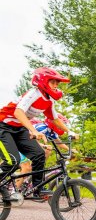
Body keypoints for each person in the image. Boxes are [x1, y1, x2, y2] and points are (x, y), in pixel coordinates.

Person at [0, 67, 72, 201]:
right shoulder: (34, 93)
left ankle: (38, 189)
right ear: (44, 81)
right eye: (53, 82)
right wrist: (33, 130)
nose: (56, 85)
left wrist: (70, 131)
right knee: (12, 161)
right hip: (3, 126)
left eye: (57, 83)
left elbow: (54, 119)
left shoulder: (49, 100)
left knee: (39, 154)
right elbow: (18, 112)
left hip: (19, 129)